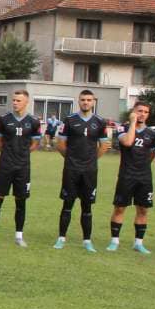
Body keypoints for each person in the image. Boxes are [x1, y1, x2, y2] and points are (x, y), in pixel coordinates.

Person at [0, 89, 40, 246]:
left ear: (26, 102)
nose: (15, 103)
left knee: (21, 201)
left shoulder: (33, 121)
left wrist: (22, 154)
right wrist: (8, 154)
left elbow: (35, 143)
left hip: (23, 167)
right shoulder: (4, 119)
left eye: (18, 100)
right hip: (5, 165)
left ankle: (19, 236)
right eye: (13, 100)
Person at [53, 89, 109, 251]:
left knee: (87, 206)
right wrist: (71, 159)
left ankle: (87, 241)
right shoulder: (69, 120)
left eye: (89, 100)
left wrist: (91, 160)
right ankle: (61, 238)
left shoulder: (99, 122)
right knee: (67, 204)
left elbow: (104, 145)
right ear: (79, 101)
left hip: (90, 171)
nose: (86, 102)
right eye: (83, 99)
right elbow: (61, 144)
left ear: (93, 102)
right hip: (71, 169)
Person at [108, 100, 155, 254]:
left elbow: (152, 155)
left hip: (144, 177)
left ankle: (138, 243)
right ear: (133, 111)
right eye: (139, 111)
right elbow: (128, 142)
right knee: (120, 208)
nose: (142, 114)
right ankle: (114, 241)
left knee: (143, 210)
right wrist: (132, 123)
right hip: (126, 175)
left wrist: (142, 167)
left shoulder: (152, 134)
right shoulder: (123, 128)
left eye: (145, 112)